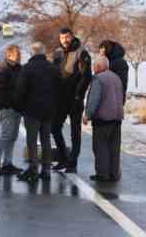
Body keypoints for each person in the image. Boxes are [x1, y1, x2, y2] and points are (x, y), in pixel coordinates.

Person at [13, 41, 58, 182]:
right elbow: (60, 89)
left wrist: (19, 108)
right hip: (48, 111)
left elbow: (20, 91)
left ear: (32, 53)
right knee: (46, 140)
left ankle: (33, 169)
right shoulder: (52, 68)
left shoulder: (27, 69)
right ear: (43, 53)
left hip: (31, 111)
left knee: (32, 140)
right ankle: (46, 170)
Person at [50, 27, 91, 173]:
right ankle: (63, 158)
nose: (64, 40)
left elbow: (86, 77)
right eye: (62, 38)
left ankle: (73, 162)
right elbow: (53, 74)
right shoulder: (57, 52)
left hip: (75, 99)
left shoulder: (82, 52)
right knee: (54, 128)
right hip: (60, 99)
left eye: (67, 37)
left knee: (75, 132)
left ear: (72, 36)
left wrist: (78, 95)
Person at [83, 54, 125, 183]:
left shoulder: (99, 79)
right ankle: (114, 173)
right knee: (114, 148)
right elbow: (122, 97)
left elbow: (94, 99)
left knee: (100, 147)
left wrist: (87, 115)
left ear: (99, 66)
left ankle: (102, 174)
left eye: (94, 66)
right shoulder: (116, 78)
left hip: (103, 119)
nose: (93, 69)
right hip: (117, 118)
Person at [0, 44, 24, 174]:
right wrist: (12, 103)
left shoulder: (20, 69)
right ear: (8, 55)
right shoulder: (0, 70)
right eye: (17, 55)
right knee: (6, 134)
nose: (19, 57)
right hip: (6, 108)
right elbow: (0, 93)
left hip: (17, 109)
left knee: (13, 136)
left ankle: (8, 163)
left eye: (20, 55)